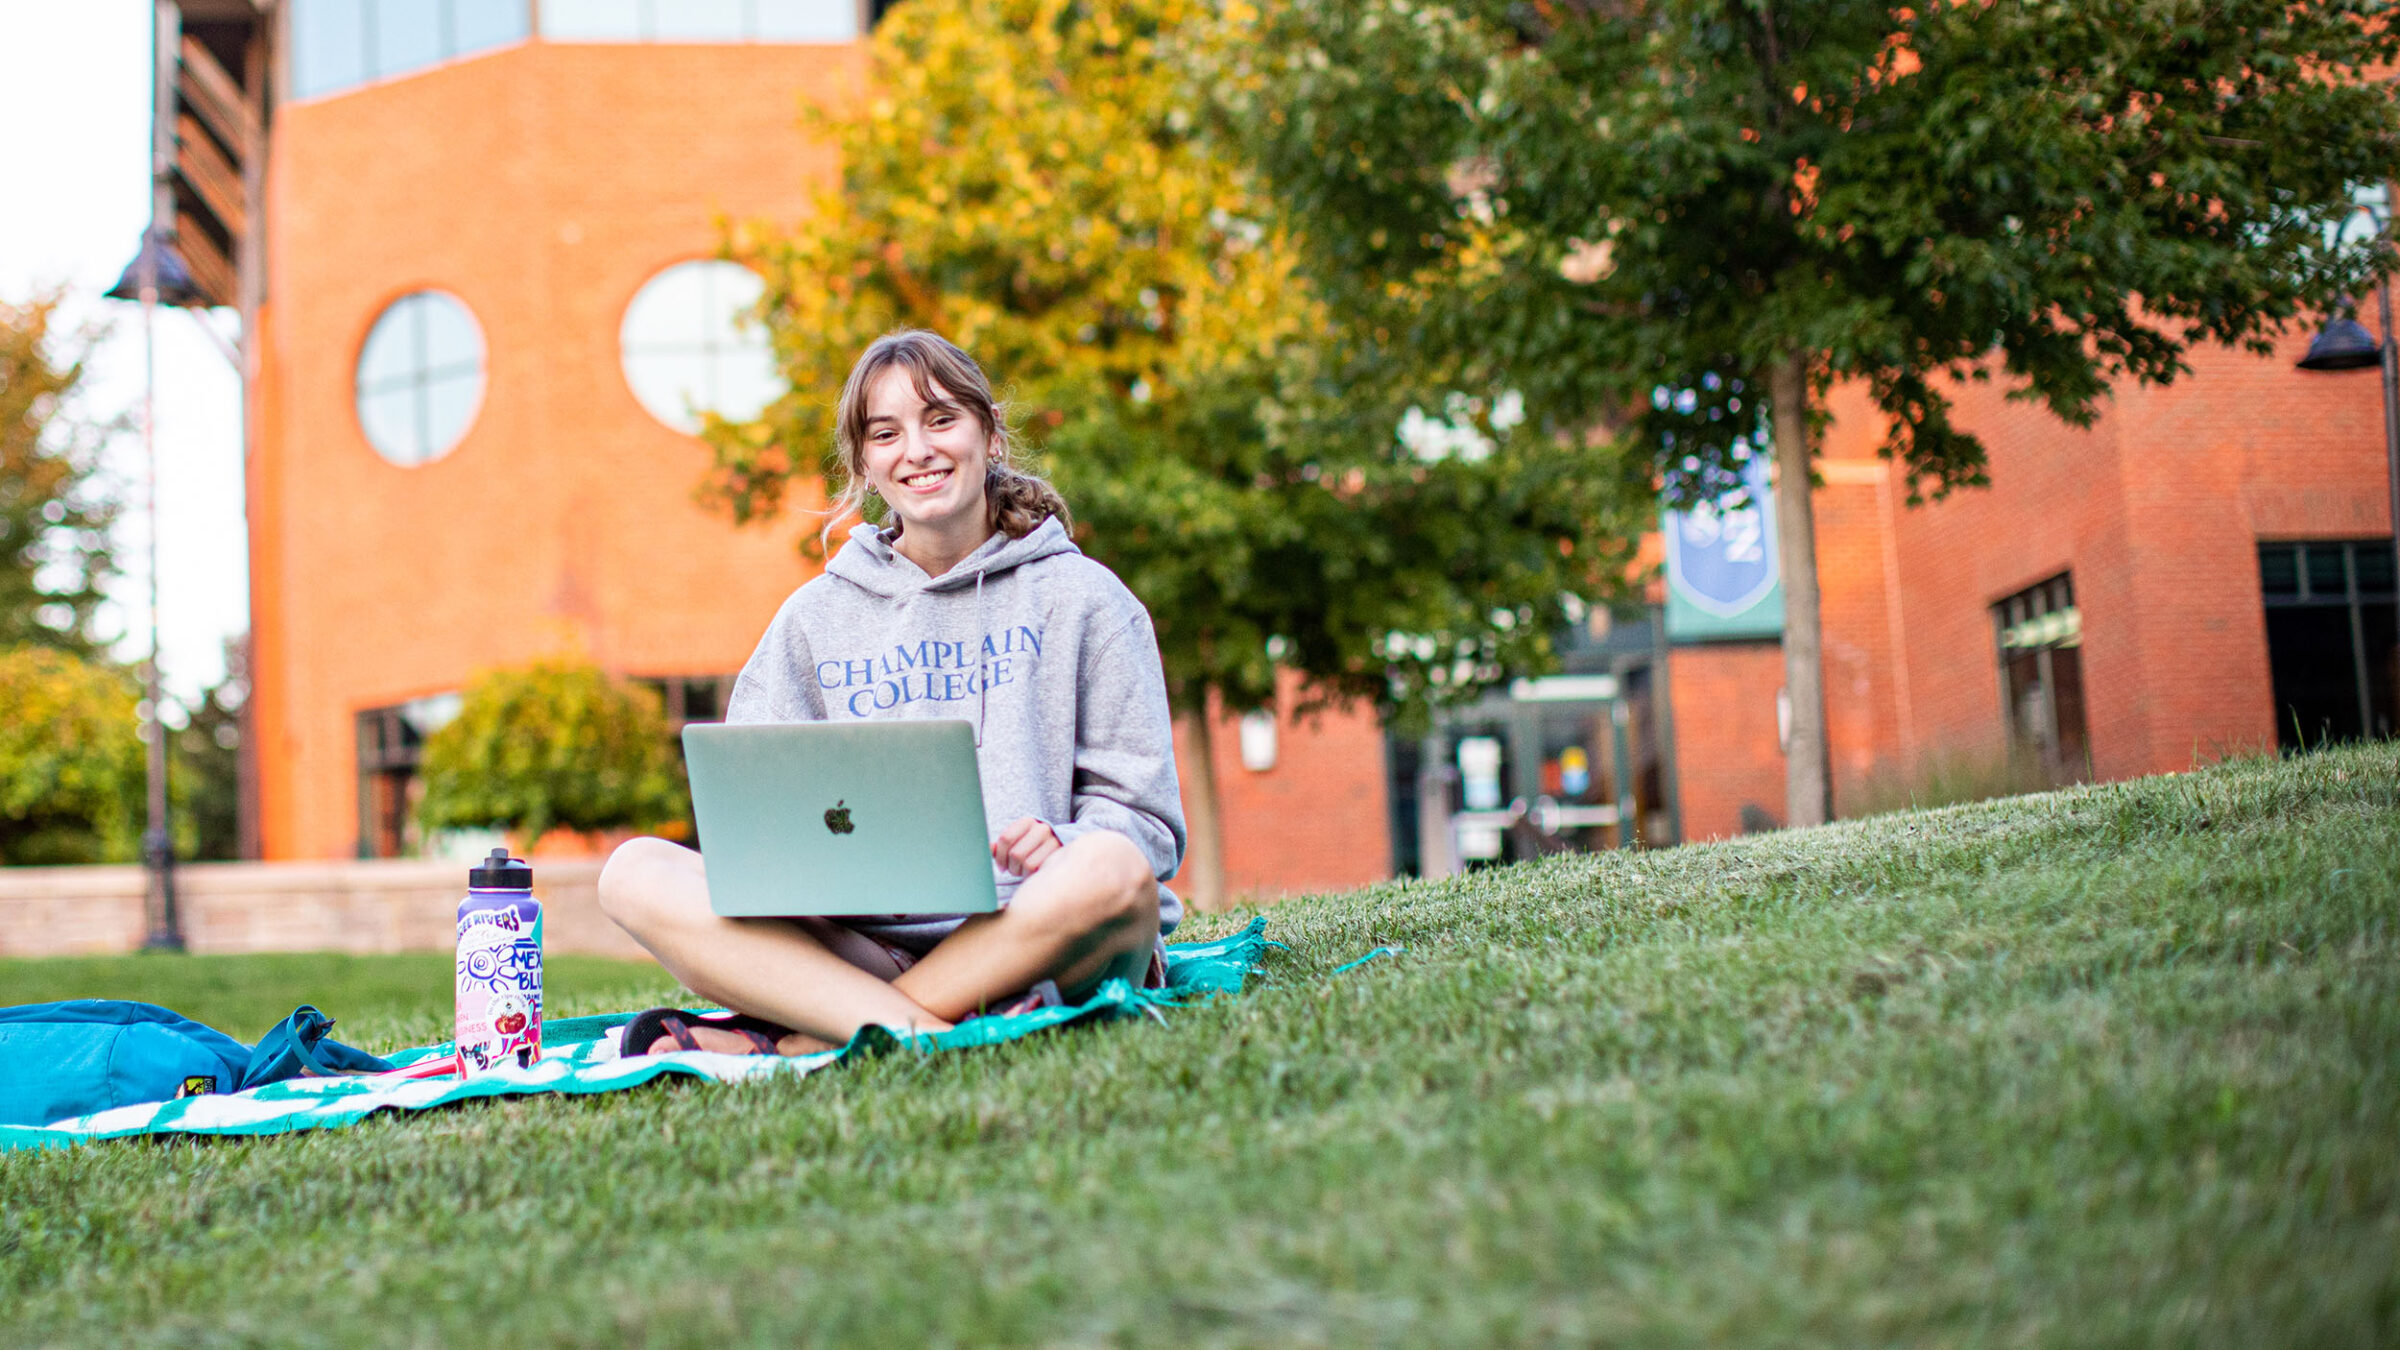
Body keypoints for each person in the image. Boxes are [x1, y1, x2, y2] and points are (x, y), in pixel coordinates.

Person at [598, 330, 1187, 1056]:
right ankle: (914, 1028)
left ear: (990, 434)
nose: (918, 450)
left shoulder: (1087, 598)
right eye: (887, 433)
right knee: (633, 873)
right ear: (865, 466)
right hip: (865, 947)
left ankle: (819, 1037)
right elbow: (749, 820)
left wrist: (1065, 841)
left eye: (941, 419)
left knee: (1113, 869)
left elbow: (1147, 824)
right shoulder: (812, 620)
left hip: (1044, 935)